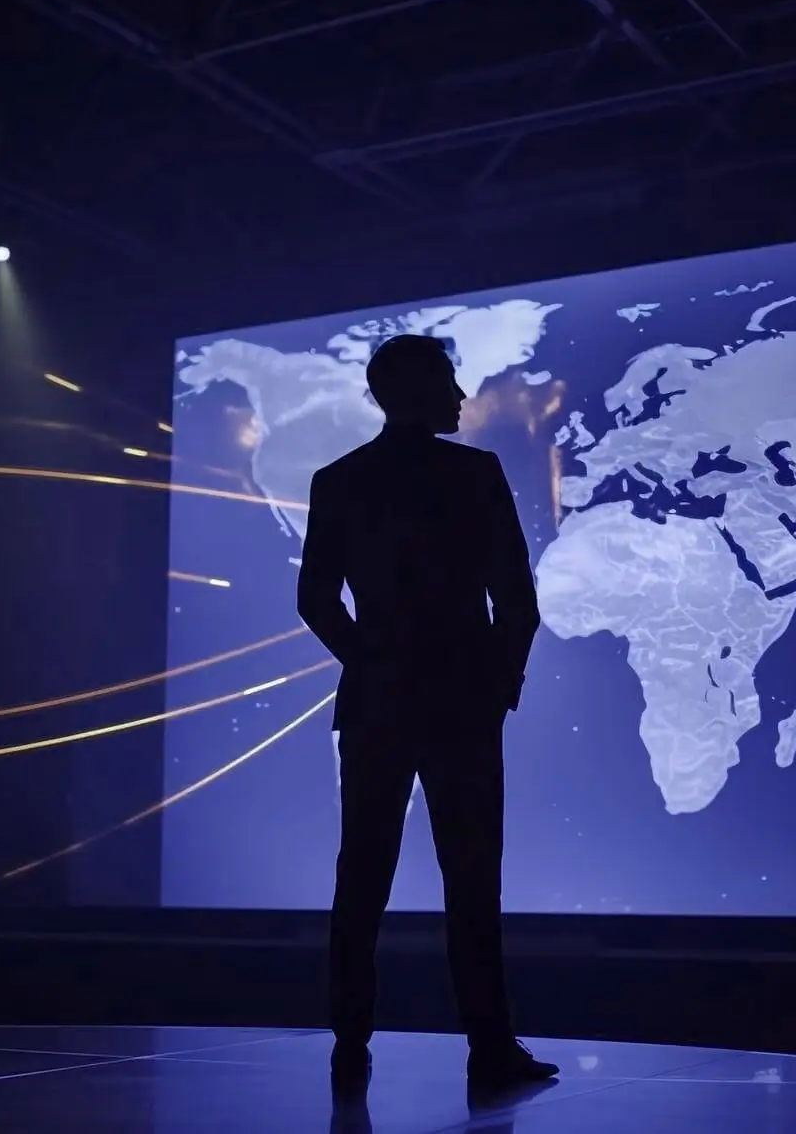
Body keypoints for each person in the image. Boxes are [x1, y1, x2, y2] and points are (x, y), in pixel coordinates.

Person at [297, 333, 556, 1090]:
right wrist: (499, 684)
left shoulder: (339, 480)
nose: (462, 396)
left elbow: (315, 600)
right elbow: (517, 599)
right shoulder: (474, 474)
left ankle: (350, 1043)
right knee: (472, 881)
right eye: (449, 379)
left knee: (361, 875)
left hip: (377, 703)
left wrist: (372, 663)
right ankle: (490, 1046)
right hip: (462, 703)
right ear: (419, 390)